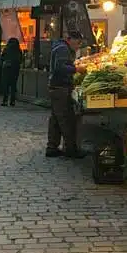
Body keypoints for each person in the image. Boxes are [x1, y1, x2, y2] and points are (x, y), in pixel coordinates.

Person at [46, 30, 86, 158]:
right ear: (70, 39)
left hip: (56, 87)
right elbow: (60, 68)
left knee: (56, 119)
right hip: (60, 88)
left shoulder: (60, 47)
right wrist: (76, 69)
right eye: (78, 42)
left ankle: (52, 147)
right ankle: (70, 149)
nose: (78, 46)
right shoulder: (63, 49)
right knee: (66, 118)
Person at [0, 37, 22, 106]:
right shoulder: (18, 50)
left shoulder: (6, 49)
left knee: (6, 85)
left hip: (6, 69)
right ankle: (12, 101)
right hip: (15, 69)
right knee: (13, 85)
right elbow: (21, 59)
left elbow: (2, 58)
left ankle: (5, 101)